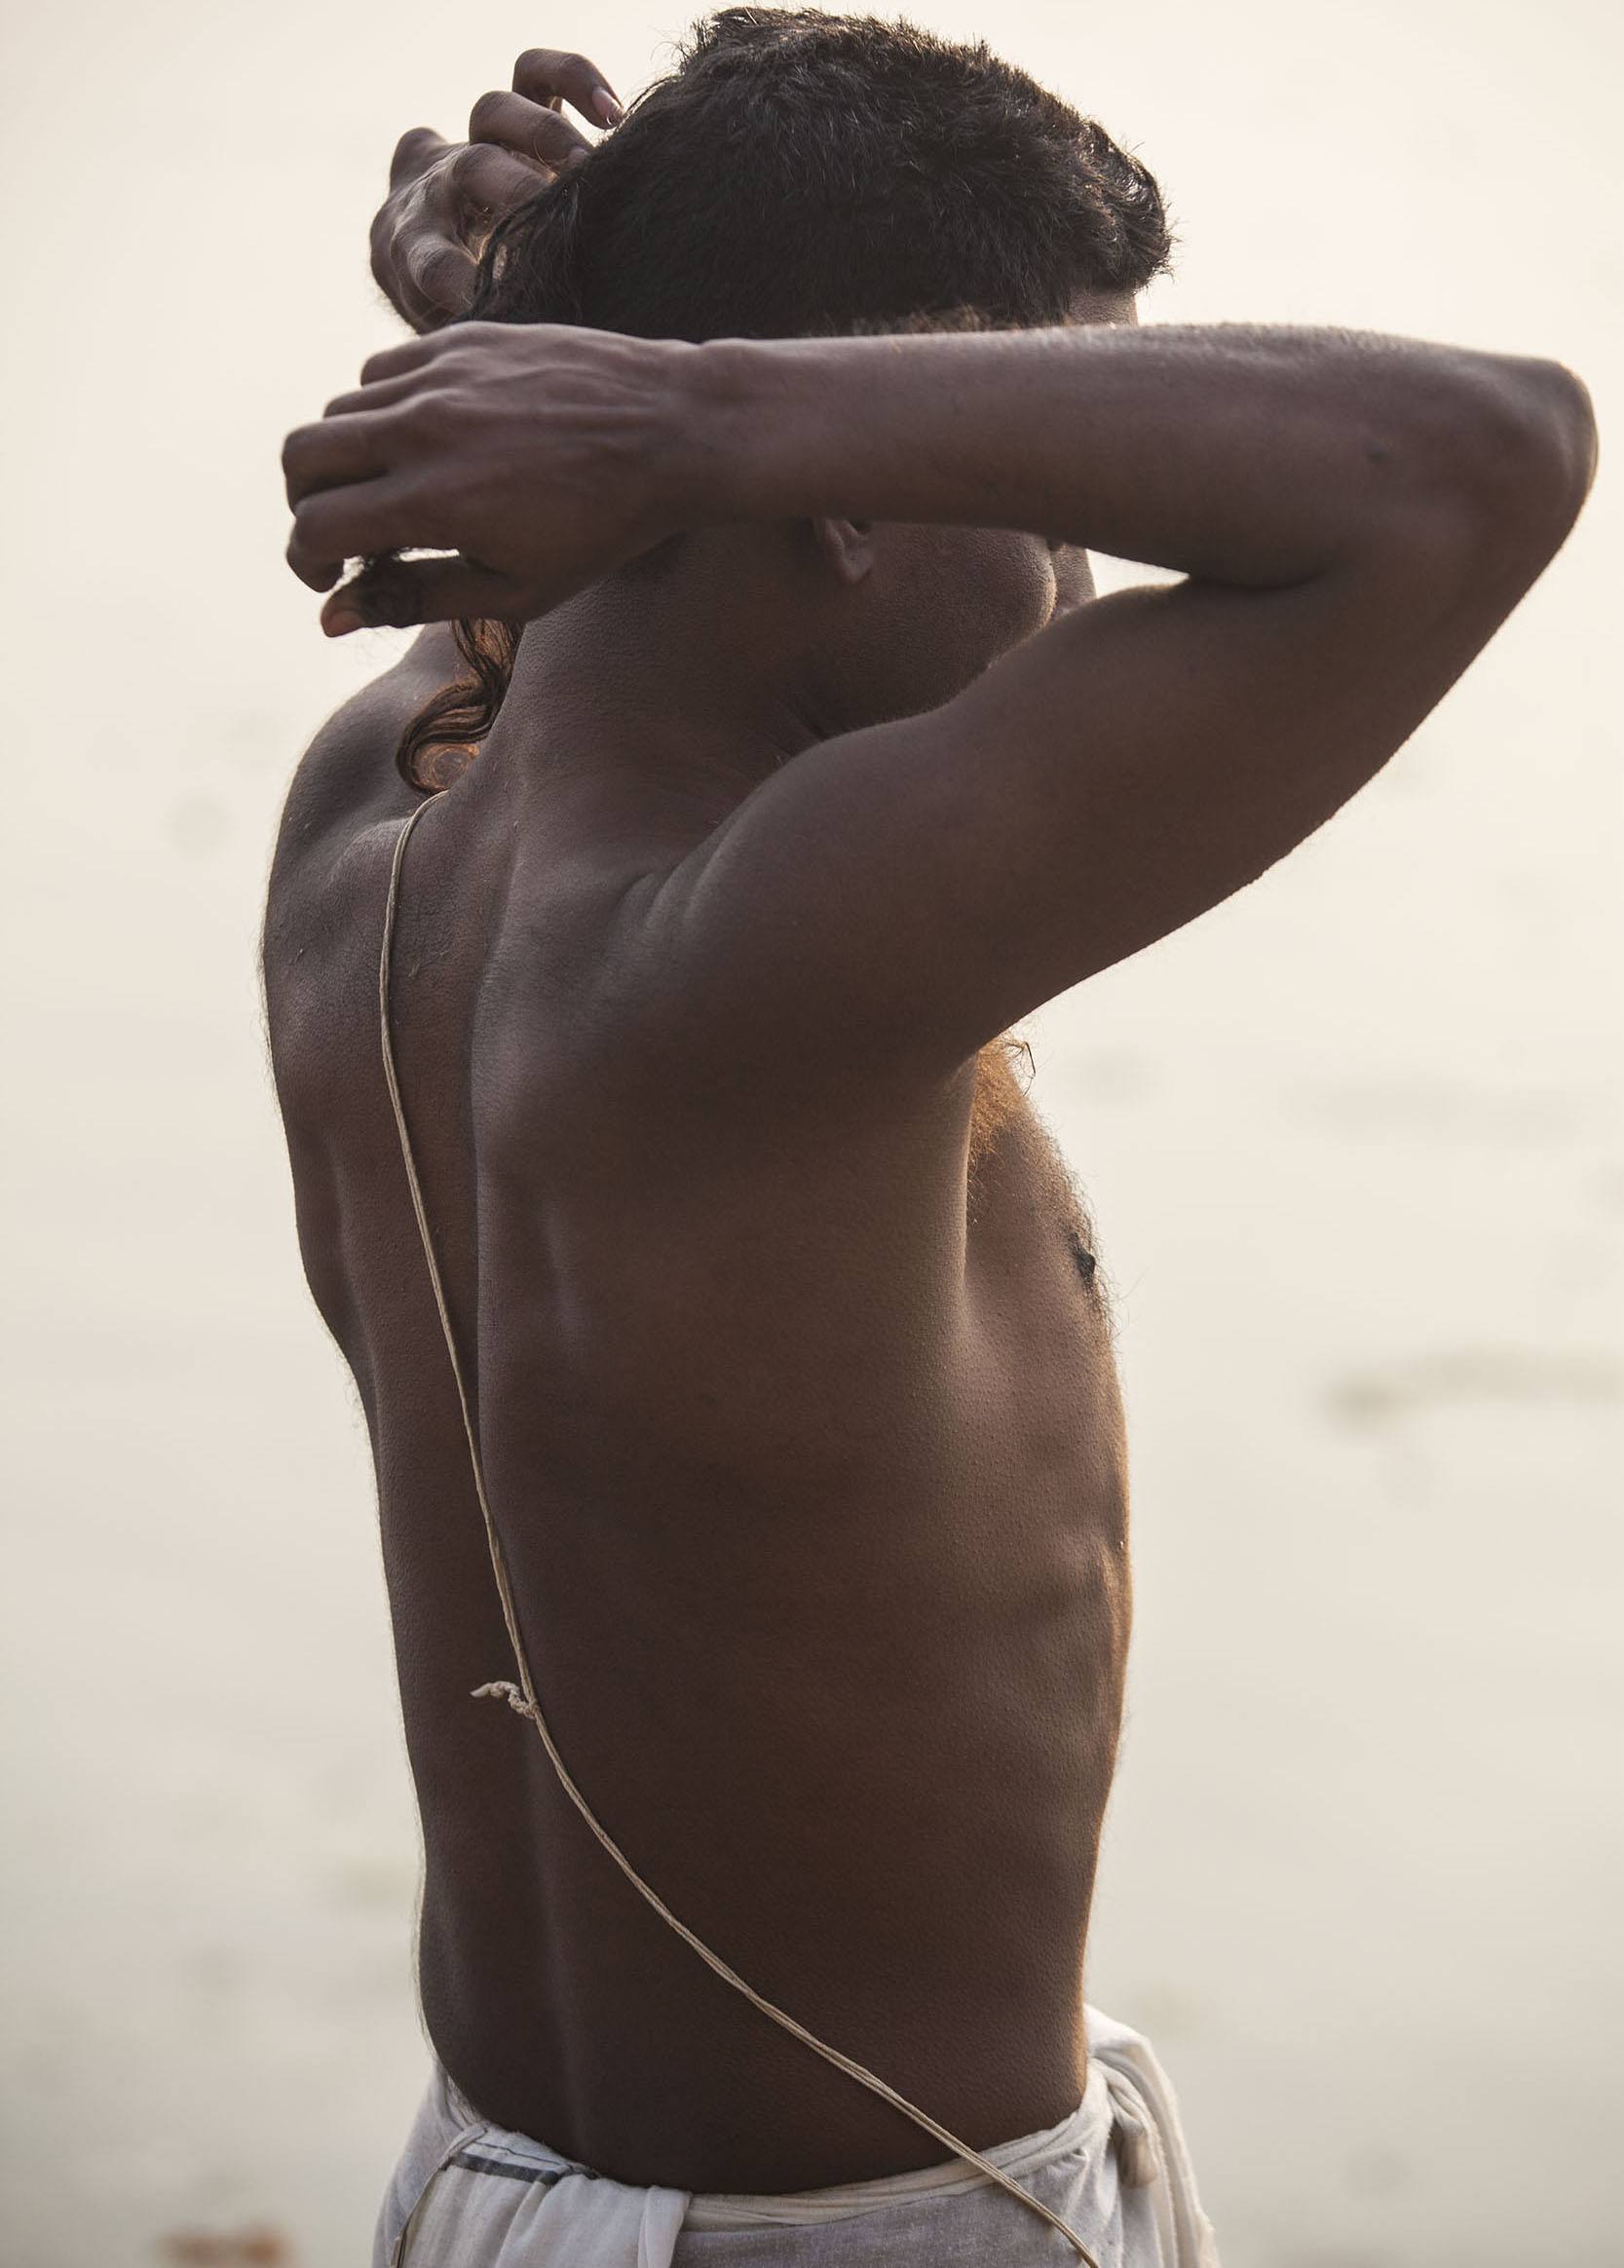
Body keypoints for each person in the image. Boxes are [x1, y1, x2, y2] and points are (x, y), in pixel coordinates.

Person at [267, 12, 1596, 2264]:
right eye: (1056, 495)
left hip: (495, 2175)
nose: (1085, 580)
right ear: (853, 496)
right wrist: (693, 410)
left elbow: (561, 603)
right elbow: (1485, 458)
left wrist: (572, 357)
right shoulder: (750, 961)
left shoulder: (373, 828)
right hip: (854, 2232)